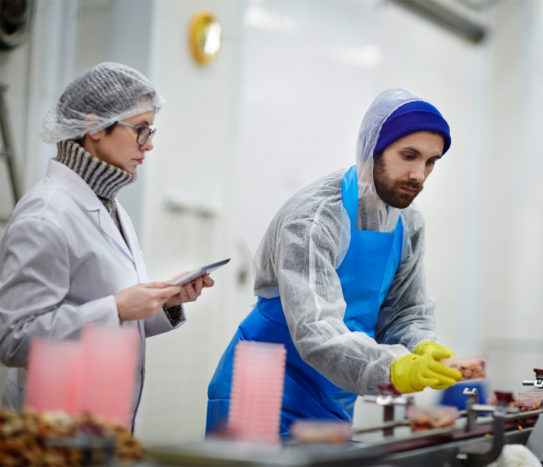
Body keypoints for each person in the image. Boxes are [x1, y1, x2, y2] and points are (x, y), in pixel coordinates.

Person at [207, 88, 462, 435]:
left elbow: (405, 312)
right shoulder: (316, 215)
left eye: (430, 162)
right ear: (373, 149)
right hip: (261, 389)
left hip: (333, 394)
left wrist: (423, 346)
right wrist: (396, 368)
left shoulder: (408, 222)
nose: (419, 174)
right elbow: (315, 328)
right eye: (409, 155)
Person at [0, 62, 214, 427]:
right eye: (140, 130)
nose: (149, 145)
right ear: (93, 126)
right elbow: (14, 339)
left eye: (151, 131)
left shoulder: (108, 205)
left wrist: (163, 303)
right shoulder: (46, 213)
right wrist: (116, 309)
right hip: (52, 428)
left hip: (99, 422)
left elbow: (101, 312)